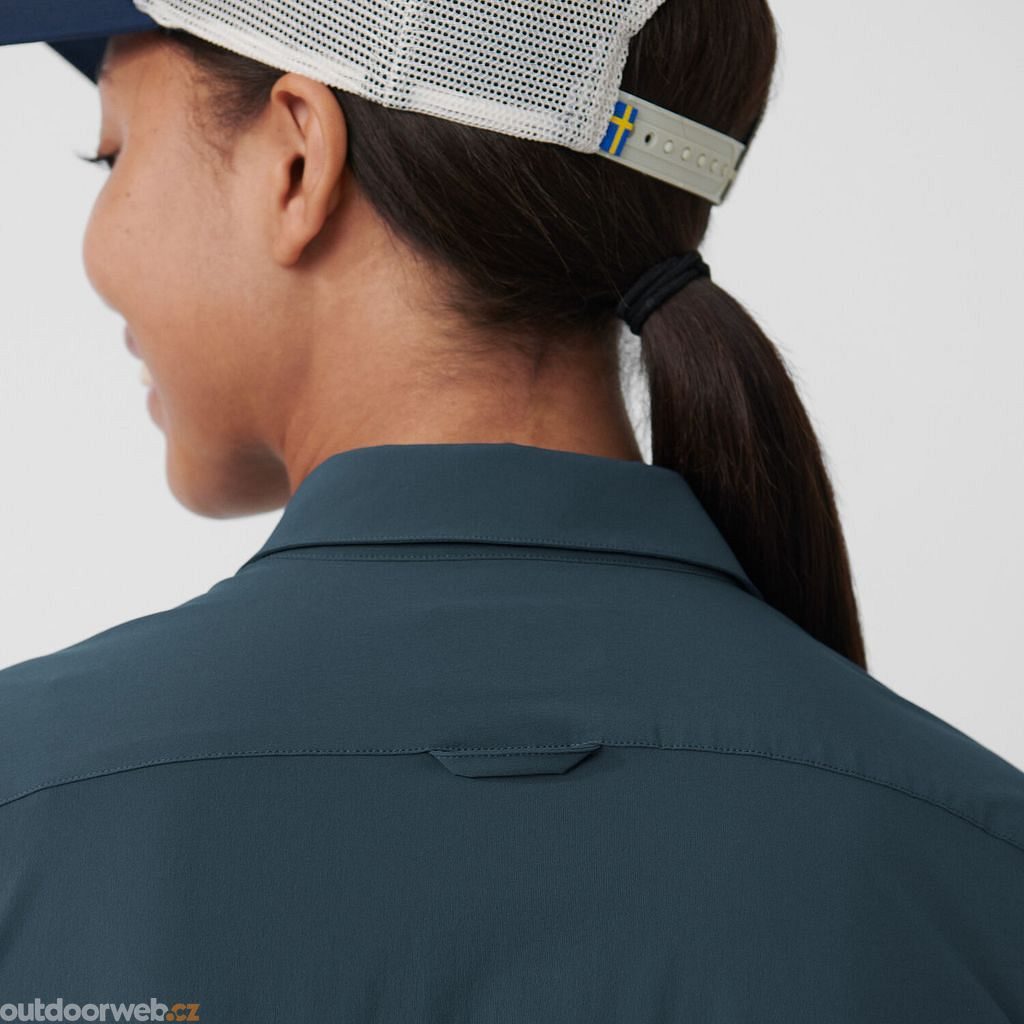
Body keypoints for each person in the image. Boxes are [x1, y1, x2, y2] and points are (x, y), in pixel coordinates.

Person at [1, 3, 1021, 1020]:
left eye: (113, 154)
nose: (94, 240)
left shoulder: (29, 807)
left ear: (297, 162)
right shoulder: (981, 867)